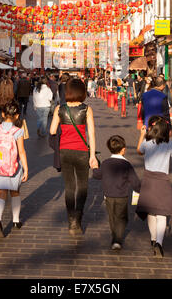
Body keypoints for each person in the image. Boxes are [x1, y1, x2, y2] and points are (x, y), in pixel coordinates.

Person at [50, 78, 98, 235]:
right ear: (82, 92)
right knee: (83, 186)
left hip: (65, 151)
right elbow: (91, 134)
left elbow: (51, 131)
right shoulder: (86, 109)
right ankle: (78, 216)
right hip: (82, 152)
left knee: (69, 187)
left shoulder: (59, 109)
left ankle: (71, 220)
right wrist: (93, 156)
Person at [136, 116, 172, 258]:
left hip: (148, 180)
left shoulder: (147, 142)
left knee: (151, 212)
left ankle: (153, 240)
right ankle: (159, 242)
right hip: (162, 181)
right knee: (162, 213)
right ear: (166, 130)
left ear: (151, 129)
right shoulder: (169, 144)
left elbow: (139, 151)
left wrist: (141, 134)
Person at [0, 101, 29, 238]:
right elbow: (21, 152)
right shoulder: (18, 131)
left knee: (1, 194)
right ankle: (16, 221)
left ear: (3, 114)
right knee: (15, 192)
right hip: (13, 166)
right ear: (17, 116)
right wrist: (26, 169)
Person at [93, 135, 140, 250]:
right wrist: (140, 190)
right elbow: (135, 182)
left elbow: (97, 175)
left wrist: (95, 167)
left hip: (108, 195)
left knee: (112, 216)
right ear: (123, 149)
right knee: (122, 217)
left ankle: (114, 234)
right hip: (122, 196)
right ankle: (117, 239)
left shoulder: (106, 162)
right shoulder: (126, 164)